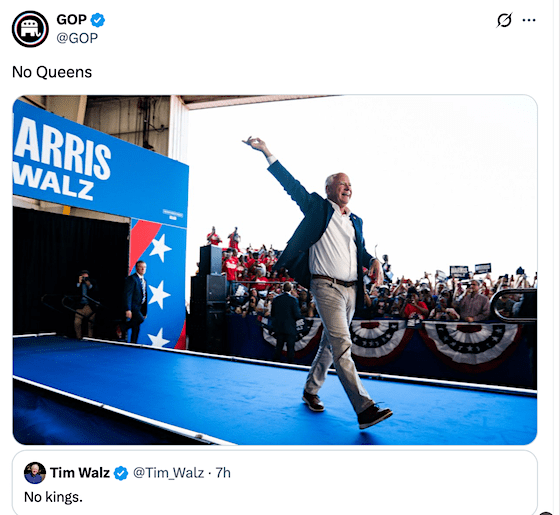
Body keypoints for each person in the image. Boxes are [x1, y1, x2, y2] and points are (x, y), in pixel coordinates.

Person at [244, 136, 392, 430]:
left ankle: (310, 390)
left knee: (329, 344)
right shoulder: (317, 208)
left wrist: (373, 260)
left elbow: (360, 252)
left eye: (350, 184)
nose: (347, 187)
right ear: (329, 190)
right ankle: (364, 408)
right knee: (342, 344)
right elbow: (291, 185)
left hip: (351, 291)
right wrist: (266, 152)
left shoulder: (356, 221)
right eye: (342, 183)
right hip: (326, 287)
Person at [271, 282, 301, 364]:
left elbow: (272, 313)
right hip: (290, 328)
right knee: (290, 348)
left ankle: (275, 363)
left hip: (279, 327)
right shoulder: (293, 300)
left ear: (282, 288)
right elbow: (297, 315)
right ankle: (290, 364)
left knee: (278, 347)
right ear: (291, 289)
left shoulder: (276, 299)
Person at [123, 261, 148, 343]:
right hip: (133, 306)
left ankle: (133, 343)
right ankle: (122, 327)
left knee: (136, 327)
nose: (143, 269)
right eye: (141, 267)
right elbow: (128, 294)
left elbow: (144, 297)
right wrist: (128, 309)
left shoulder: (144, 280)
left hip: (140, 307)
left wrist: (144, 312)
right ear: (137, 268)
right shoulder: (132, 279)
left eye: (144, 267)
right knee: (140, 319)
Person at [74, 269, 96, 339]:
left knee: (91, 323)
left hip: (90, 306)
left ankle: (90, 338)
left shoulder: (93, 282)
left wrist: (88, 284)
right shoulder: (77, 283)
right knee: (77, 322)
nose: (84, 278)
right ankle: (78, 337)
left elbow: (95, 292)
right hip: (80, 306)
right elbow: (74, 292)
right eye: (83, 276)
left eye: (86, 276)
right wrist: (79, 283)